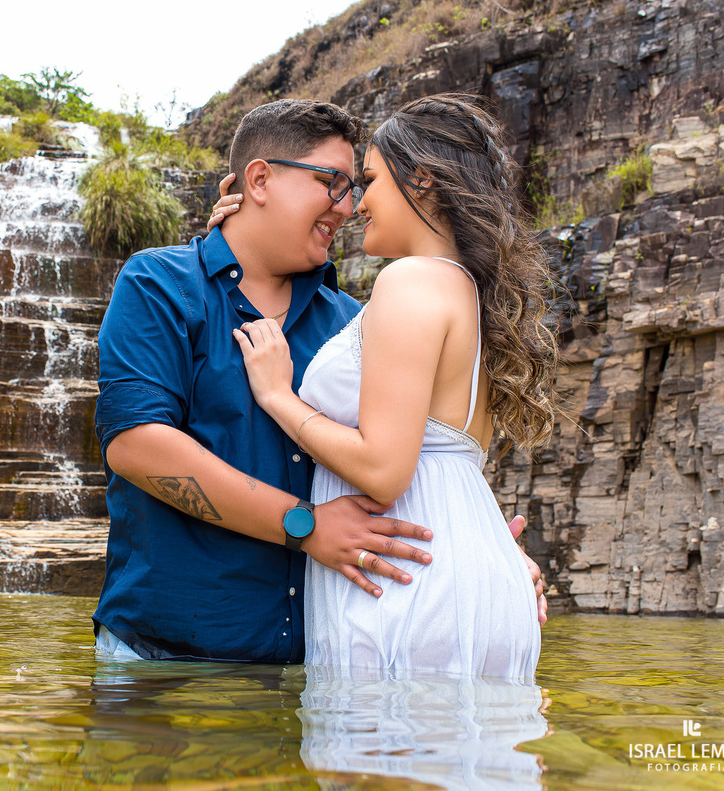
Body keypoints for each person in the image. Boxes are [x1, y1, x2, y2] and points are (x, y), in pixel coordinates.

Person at [92, 98, 544, 664]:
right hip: (167, 655)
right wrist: (303, 526)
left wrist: (480, 552)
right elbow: (136, 446)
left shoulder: (353, 321)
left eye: (358, 185)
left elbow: (409, 449)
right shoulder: (159, 284)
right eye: (333, 182)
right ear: (260, 180)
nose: (349, 205)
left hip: (318, 660)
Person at [229, 94, 557, 679]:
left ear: (423, 181)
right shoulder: (468, 292)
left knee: (383, 761)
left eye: (370, 181)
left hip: (404, 583)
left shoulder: (409, 282)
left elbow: (385, 470)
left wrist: (278, 396)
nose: (356, 205)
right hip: (460, 566)